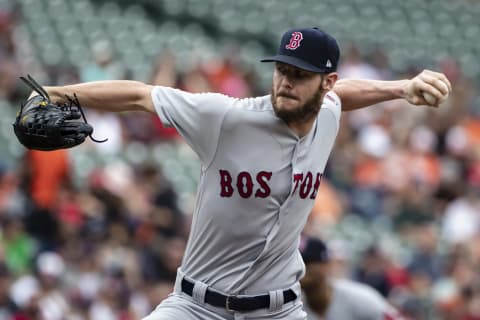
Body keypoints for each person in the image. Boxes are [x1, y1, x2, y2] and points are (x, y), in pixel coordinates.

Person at [27, 27, 451, 319]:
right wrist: (59, 94)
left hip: (278, 309)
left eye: (300, 75)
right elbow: (141, 95)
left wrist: (399, 88)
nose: (286, 81)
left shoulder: (330, 112)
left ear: (326, 83)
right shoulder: (226, 118)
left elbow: (344, 97)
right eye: (282, 69)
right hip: (196, 306)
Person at [300, 235, 404, 319]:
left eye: (307, 262)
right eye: (295, 265)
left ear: (327, 265)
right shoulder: (292, 305)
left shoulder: (359, 298)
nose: (300, 269)